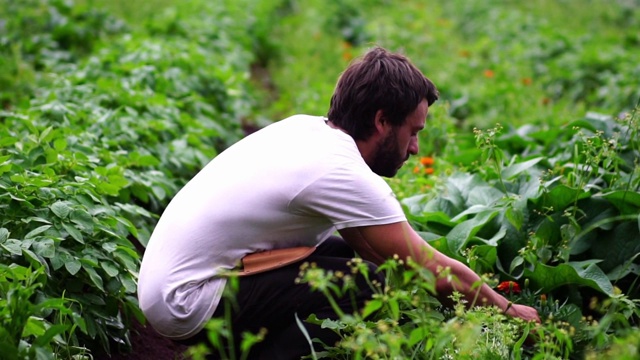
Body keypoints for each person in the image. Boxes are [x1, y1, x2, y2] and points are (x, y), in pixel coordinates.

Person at [137, 46, 540, 359]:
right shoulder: (340, 172)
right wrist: (507, 312)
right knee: (370, 284)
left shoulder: (306, 131)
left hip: (173, 283)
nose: (416, 148)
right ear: (382, 121)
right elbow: (428, 268)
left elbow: (372, 247)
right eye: (413, 132)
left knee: (357, 260)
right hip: (187, 302)